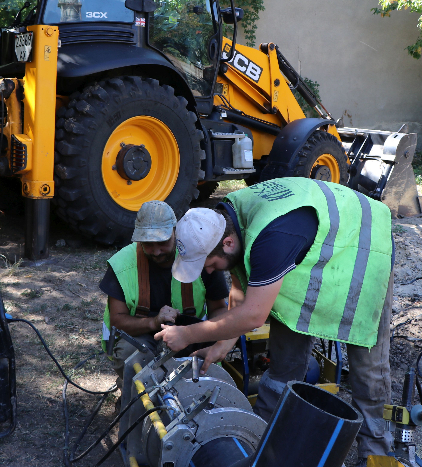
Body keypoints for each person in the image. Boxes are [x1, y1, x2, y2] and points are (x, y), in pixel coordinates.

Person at [154, 178, 394, 461]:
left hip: (363, 249)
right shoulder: (228, 218)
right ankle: (259, 438)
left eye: (208, 264)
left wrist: (188, 334)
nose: (207, 271)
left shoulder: (271, 238)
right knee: (284, 360)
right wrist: (222, 344)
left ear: (227, 243)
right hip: (312, 256)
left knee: (367, 369)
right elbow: (242, 296)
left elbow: (254, 315)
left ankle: (376, 453)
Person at [99, 200, 230, 387]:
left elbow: (218, 309)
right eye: (148, 244)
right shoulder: (122, 265)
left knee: (202, 368)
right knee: (131, 358)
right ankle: (134, 397)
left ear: (175, 232)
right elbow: (118, 322)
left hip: (190, 333)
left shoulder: (199, 255)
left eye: (162, 242)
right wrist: (153, 322)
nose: (156, 251)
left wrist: (210, 339)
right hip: (142, 334)